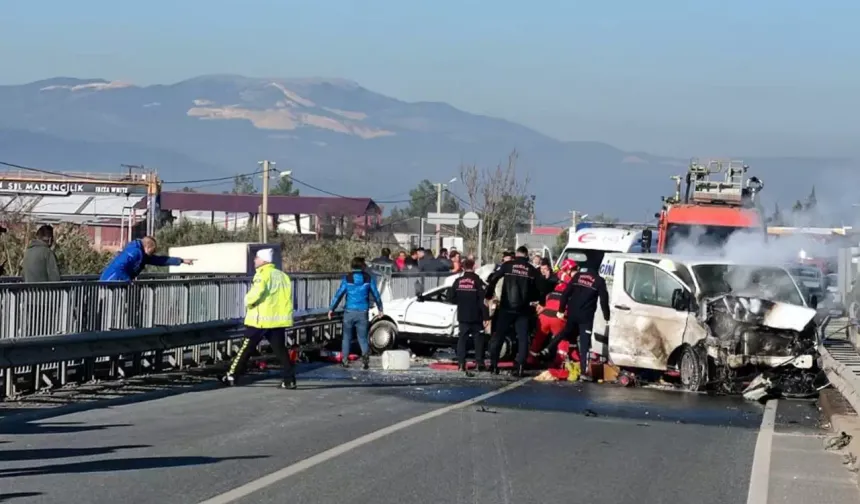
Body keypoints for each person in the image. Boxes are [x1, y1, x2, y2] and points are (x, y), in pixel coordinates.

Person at [222, 248, 297, 389]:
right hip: (277, 319)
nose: (254, 260)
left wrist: (247, 301)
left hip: (260, 320)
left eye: (256, 257)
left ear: (263, 260)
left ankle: (232, 375)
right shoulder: (282, 276)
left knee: (246, 348)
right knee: (281, 351)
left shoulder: (262, 275)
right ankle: (290, 379)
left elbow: (256, 294)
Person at [485, 246, 541, 377]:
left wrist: (488, 293)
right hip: (523, 309)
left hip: (506, 307)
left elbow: (494, 278)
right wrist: (534, 299)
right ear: (527, 256)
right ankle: (520, 366)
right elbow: (539, 289)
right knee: (523, 338)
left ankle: (494, 364)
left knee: (499, 336)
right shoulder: (531, 270)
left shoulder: (508, 265)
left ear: (516, 255)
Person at [550, 263, 611, 381]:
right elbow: (604, 300)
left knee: (565, 332)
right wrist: (606, 316)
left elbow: (566, 294)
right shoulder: (599, 281)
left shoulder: (578, 276)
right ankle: (584, 372)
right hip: (586, 318)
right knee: (584, 344)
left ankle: (549, 348)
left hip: (572, 313)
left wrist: (561, 310)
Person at [328, 257, 383, 370]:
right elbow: (376, 294)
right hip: (362, 311)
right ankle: (365, 359)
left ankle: (344, 360)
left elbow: (339, 294)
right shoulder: (368, 278)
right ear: (362, 266)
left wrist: (331, 309)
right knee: (362, 337)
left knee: (346, 337)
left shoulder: (347, 278)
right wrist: (380, 308)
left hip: (349, 311)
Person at [528, 259, 577, 366]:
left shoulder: (555, 283)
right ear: (568, 271)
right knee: (563, 338)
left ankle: (531, 358)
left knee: (538, 338)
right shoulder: (572, 286)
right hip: (558, 317)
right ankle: (559, 362)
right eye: (574, 270)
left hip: (544, 316)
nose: (576, 272)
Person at [447, 259, 489, 375]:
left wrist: (461, 302)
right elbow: (483, 301)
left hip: (463, 315)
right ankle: (479, 363)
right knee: (478, 339)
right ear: (474, 267)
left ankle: (461, 363)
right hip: (476, 316)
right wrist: (486, 317)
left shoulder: (458, 281)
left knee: (462, 339)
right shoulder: (478, 281)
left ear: (463, 267)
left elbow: (451, 297)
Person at [99, 236, 194, 281]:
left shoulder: (143, 255)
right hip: (111, 281)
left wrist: (181, 261)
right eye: (152, 251)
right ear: (148, 247)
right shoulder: (135, 252)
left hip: (117, 282)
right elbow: (118, 267)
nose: (152, 253)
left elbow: (160, 260)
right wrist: (128, 280)